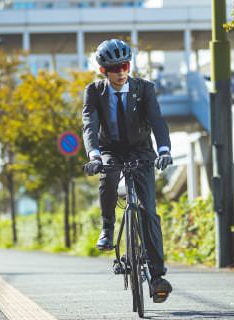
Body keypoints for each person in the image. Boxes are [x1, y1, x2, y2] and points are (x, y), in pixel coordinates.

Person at [82, 39, 173, 303]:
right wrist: (94, 155)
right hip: (110, 149)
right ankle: (108, 227)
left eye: (125, 66)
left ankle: (157, 277)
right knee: (108, 176)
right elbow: (89, 124)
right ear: (103, 71)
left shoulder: (144, 89)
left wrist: (164, 149)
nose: (121, 72)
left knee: (149, 211)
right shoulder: (93, 92)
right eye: (115, 68)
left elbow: (157, 119)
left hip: (141, 151)